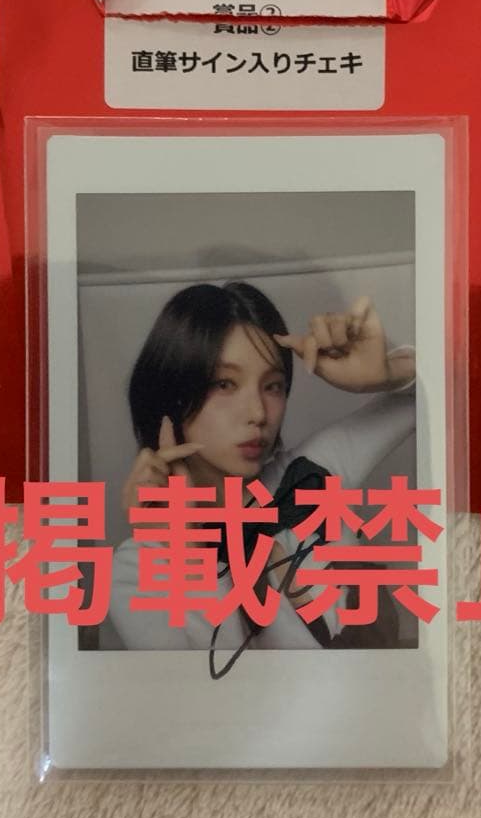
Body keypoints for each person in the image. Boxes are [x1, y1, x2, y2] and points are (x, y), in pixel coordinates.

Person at [108, 281, 415, 669]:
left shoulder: (309, 474)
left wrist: (388, 373)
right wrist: (188, 555)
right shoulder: (136, 568)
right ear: (170, 394)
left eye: (272, 386)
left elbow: (443, 398)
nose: (257, 413)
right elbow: (212, 691)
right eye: (224, 384)